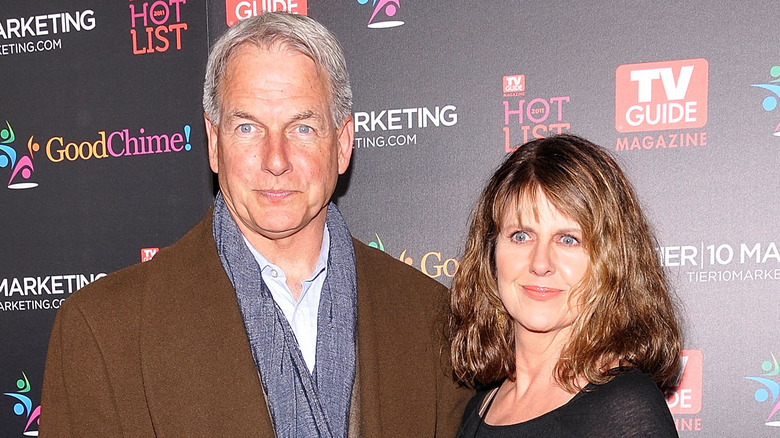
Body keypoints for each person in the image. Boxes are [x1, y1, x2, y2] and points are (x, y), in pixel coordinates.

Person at [40, 12, 470, 437]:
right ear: (213, 143)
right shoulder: (102, 331)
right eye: (248, 127)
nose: (276, 160)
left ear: (342, 145)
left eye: (302, 128)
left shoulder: (434, 320)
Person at [448, 134, 682, 437]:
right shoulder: (479, 407)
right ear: (490, 252)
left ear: (610, 261)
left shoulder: (623, 407)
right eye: (521, 235)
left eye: (568, 239)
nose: (540, 262)